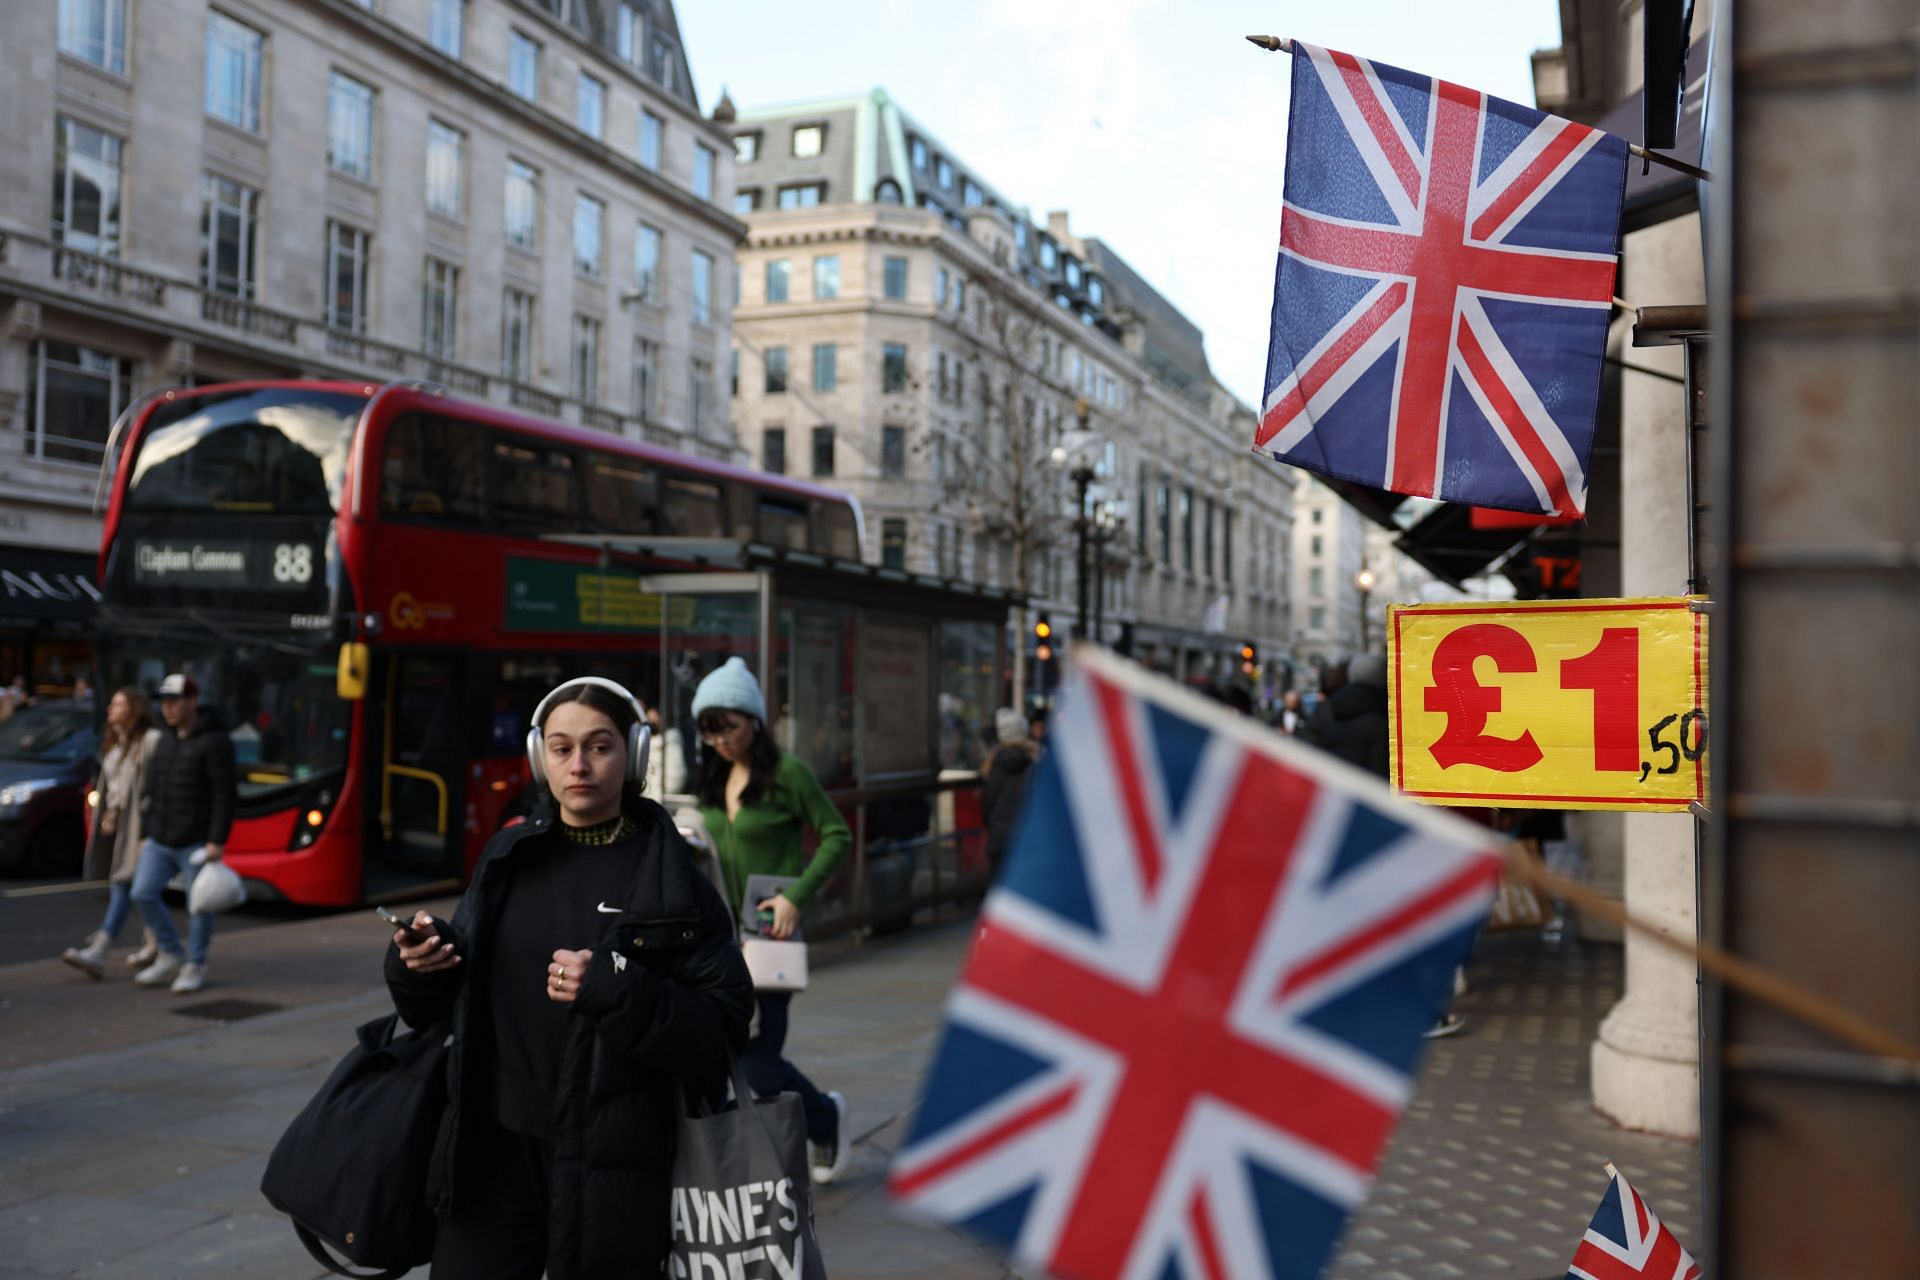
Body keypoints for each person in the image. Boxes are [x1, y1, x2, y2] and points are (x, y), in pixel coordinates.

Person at [386, 677, 752, 1279]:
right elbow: (445, 1006)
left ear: (634, 754)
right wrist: (417, 966)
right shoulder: (507, 861)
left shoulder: (673, 882)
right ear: (539, 757)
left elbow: (723, 1029)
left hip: (615, 1169)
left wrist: (616, 989)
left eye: (600, 746)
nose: (578, 764)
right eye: (561, 748)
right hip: (493, 1154)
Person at [692, 656, 854, 1184]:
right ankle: (752, 1160)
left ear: (754, 721)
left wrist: (796, 897)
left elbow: (837, 835)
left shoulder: (789, 774)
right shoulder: (712, 778)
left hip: (770, 938)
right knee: (726, 1053)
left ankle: (826, 1118)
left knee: (761, 1061)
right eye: (710, 729)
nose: (720, 740)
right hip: (719, 943)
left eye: (729, 727)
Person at [130, 674, 236, 995]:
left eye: (174, 701)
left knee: (198, 906)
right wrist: (148, 832)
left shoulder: (215, 741)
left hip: (196, 841)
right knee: (142, 893)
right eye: (164, 702)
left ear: (192, 701)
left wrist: (217, 840)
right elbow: (157, 789)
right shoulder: (165, 738)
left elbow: (224, 795)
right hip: (161, 837)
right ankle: (171, 953)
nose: (168, 708)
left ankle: (195, 964)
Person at [60, 687, 161, 978]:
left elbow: (158, 788)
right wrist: (109, 813)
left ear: (135, 709)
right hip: (122, 829)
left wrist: (148, 831)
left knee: (124, 885)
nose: (110, 708)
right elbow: (114, 790)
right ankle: (157, 943)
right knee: (139, 889)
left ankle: (101, 950)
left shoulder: (151, 742)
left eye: (118, 703)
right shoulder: (116, 747)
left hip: (142, 830)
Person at [980, 707, 1041, 874]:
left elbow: (988, 804)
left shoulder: (995, 763)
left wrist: (994, 827)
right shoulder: (1038, 761)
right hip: (1028, 840)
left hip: (999, 841)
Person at [641, 702, 687, 799]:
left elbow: (674, 781)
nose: (651, 724)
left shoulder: (671, 741)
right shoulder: (643, 742)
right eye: (649, 721)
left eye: (654, 721)